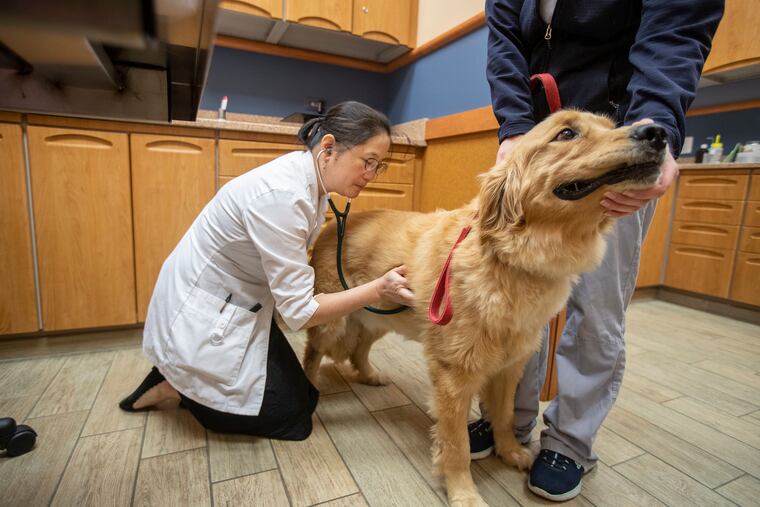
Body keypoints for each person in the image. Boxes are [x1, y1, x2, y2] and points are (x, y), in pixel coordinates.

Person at [470, 0, 724, 501]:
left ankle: (570, 441)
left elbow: (675, 33)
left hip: (615, 138)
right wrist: (515, 132)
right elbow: (505, 46)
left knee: (598, 308)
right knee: (513, 303)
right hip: (541, 145)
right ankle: (505, 421)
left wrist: (654, 132)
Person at [119, 101, 415, 441]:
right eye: (368, 162)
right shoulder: (284, 198)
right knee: (293, 420)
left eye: (379, 166)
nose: (371, 175)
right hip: (203, 306)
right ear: (329, 148)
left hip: (236, 303)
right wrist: (379, 289)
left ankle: (181, 375)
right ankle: (178, 385)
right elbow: (301, 313)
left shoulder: (308, 181)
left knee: (308, 397)